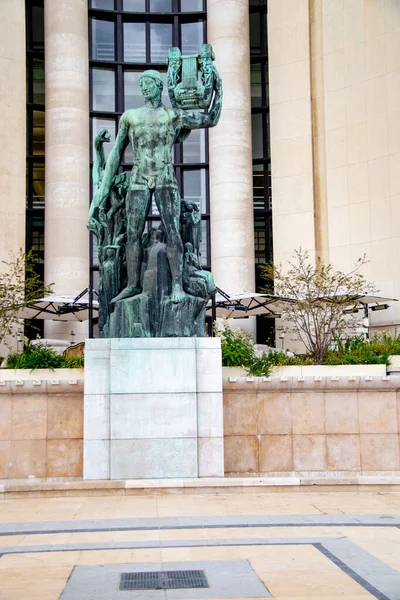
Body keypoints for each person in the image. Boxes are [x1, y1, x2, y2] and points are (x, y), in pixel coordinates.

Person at [88, 67, 222, 304]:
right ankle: (132, 285)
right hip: (139, 176)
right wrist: (100, 194)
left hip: (164, 176)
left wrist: (218, 87)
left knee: (173, 231)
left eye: (149, 83)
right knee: (132, 232)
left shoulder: (173, 115)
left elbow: (211, 118)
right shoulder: (130, 117)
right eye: (142, 85)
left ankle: (178, 285)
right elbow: (116, 154)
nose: (144, 87)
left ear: (159, 87)